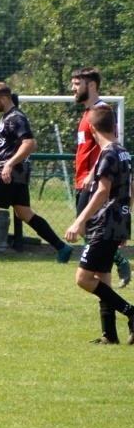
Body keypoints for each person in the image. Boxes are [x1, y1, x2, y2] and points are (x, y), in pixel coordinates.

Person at [0, 83, 72, 266]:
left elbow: (30, 144)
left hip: (8, 171)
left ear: (4, 98)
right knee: (24, 212)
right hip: (18, 171)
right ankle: (62, 247)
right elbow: (6, 146)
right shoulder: (8, 118)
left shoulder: (16, 118)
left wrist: (9, 164)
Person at [63, 102, 134, 345]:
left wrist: (79, 222)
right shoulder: (123, 152)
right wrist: (123, 220)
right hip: (116, 222)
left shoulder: (108, 154)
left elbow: (103, 191)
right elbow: (130, 189)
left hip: (104, 224)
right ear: (114, 126)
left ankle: (131, 312)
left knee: (83, 278)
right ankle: (109, 335)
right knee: (102, 277)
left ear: (92, 129)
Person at [71, 68, 129, 286]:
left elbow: (111, 145)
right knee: (88, 229)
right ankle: (108, 285)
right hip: (83, 180)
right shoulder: (87, 113)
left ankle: (119, 261)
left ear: (92, 85)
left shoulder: (102, 111)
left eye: (77, 83)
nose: (73, 88)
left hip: (95, 182)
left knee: (88, 227)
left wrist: (92, 173)